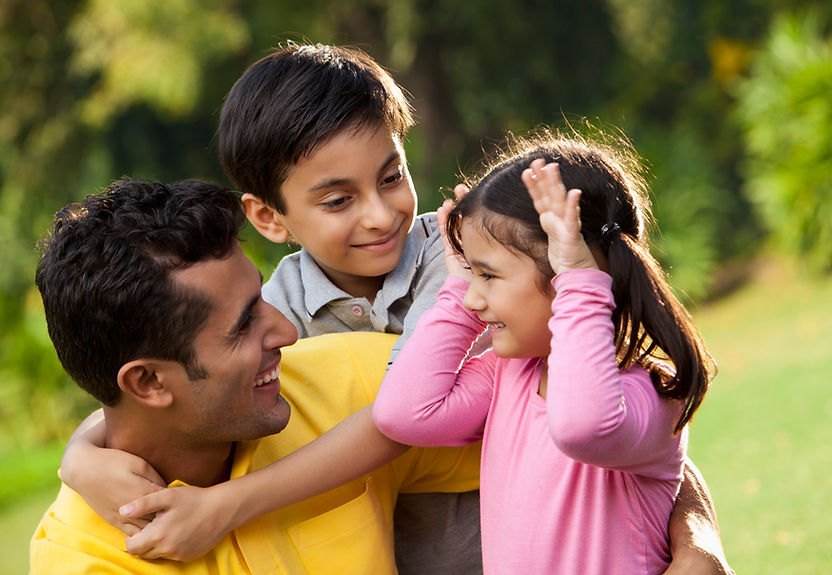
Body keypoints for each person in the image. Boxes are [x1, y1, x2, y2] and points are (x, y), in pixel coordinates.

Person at [60, 43, 733, 574]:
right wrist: (81, 451)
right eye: (337, 200)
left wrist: (227, 504)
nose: (381, 215)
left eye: (392, 175)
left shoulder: (465, 262)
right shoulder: (279, 307)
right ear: (270, 217)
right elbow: (175, 389)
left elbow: (420, 416)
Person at [30, 178, 480, 574]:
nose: (286, 331)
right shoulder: (83, 560)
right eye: (244, 324)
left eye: (262, 298)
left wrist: (79, 450)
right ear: (148, 383)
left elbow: (534, 399)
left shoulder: (350, 380)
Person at [373, 130, 718, 574]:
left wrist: (579, 280)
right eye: (469, 276)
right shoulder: (508, 374)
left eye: (488, 277)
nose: (471, 301)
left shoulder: (651, 394)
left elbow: (581, 427)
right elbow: (403, 412)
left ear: (567, 277)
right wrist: (456, 283)